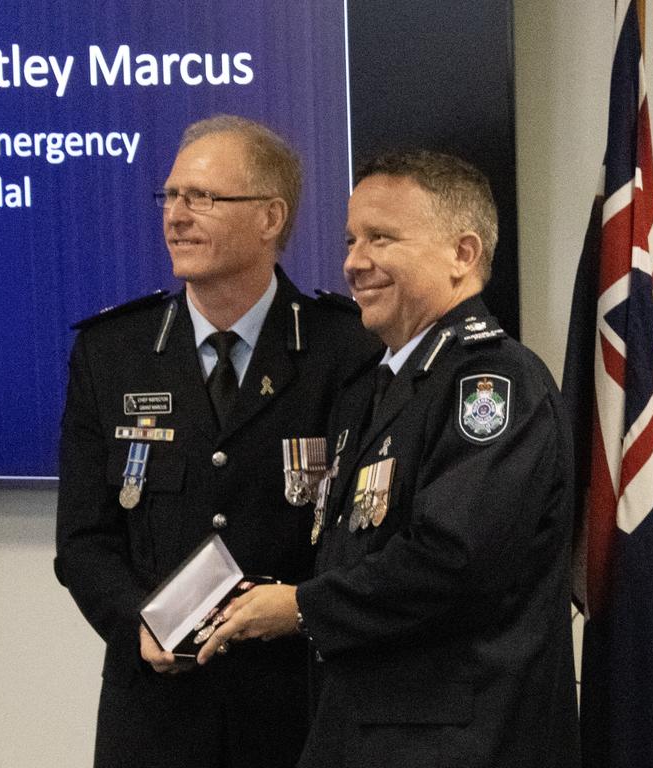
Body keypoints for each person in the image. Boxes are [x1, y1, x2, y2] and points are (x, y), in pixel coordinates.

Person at [198, 149, 581, 767]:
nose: (355, 262)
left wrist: (300, 607)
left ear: (463, 254)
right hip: (364, 733)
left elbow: (450, 561)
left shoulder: (492, 384)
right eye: (351, 239)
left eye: (382, 238)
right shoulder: (372, 390)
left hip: (458, 744)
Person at [54, 115, 379, 768]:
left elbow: (369, 534)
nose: (176, 215)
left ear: (269, 218)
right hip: (155, 715)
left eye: (202, 198)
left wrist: (303, 612)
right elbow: (83, 541)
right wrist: (137, 620)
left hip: (297, 710)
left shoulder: (348, 350)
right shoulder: (111, 353)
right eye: (170, 197)